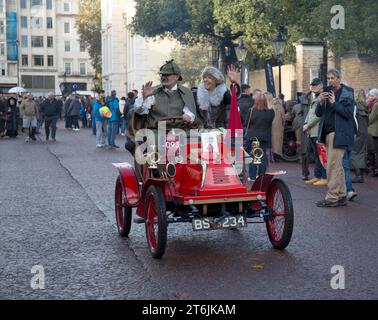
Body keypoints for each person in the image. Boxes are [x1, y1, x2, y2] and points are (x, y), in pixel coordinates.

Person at [315, 69, 355, 207]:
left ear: (339, 78)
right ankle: (342, 195)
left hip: (339, 133)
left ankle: (332, 197)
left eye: (333, 78)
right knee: (337, 166)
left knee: (332, 165)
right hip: (327, 133)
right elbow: (319, 114)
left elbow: (348, 113)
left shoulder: (347, 92)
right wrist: (320, 101)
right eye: (329, 78)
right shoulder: (326, 92)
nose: (330, 81)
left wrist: (334, 103)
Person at [134, 59, 200, 133]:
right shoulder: (152, 92)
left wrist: (188, 116)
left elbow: (190, 112)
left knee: (193, 141)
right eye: (162, 75)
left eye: (167, 75)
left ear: (177, 77)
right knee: (152, 141)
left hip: (180, 130)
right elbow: (139, 111)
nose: (163, 77)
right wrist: (144, 97)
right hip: (157, 131)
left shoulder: (186, 92)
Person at [245, 93, 275, 180]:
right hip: (265, 137)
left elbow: (246, 123)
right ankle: (261, 175)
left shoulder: (251, 111)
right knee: (263, 156)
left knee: (254, 156)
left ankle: (252, 176)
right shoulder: (271, 112)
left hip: (253, 136)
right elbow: (270, 123)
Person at [303, 78, 327, 186]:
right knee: (317, 155)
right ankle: (317, 176)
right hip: (312, 130)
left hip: (318, 129)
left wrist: (308, 124)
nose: (313, 87)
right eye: (312, 85)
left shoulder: (323, 96)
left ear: (321, 85)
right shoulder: (315, 97)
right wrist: (306, 124)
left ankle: (324, 177)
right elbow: (310, 113)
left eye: (316, 85)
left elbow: (319, 115)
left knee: (321, 155)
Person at [350, 89, 369, 183]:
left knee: (355, 153)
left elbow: (353, 121)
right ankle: (360, 174)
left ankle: (358, 175)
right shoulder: (365, 107)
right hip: (364, 133)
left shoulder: (355, 107)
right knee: (361, 153)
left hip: (357, 132)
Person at [271, 97, 285, 162]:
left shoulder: (272, 107)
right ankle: (277, 156)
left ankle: (273, 156)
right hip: (279, 127)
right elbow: (283, 118)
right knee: (278, 142)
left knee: (273, 142)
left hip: (272, 127)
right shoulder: (281, 108)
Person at [367, 88, 378, 177]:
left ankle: (374, 170)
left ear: (375, 96)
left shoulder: (376, 105)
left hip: (374, 131)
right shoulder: (372, 104)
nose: (369, 97)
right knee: (372, 151)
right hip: (372, 131)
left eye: (371, 95)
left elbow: (371, 118)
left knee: (373, 151)